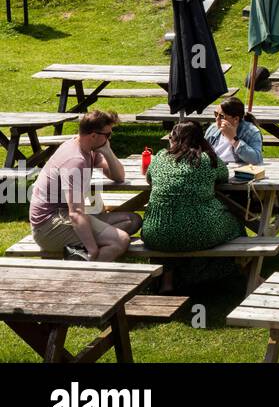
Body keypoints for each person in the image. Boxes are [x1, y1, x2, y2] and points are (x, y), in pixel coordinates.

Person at [140, 119, 245, 289]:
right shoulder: (207, 159)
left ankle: (168, 281)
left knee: (171, 228)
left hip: (155, 232)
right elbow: (224, 176)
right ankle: (236, 271)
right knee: (237, 223)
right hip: (200, 232)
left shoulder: (159, 157)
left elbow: (149, 178)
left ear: (174, 139)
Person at [29, 109, 141, 261]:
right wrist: (92, 249)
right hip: (49, 227)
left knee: (133, 221)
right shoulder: (76, 161)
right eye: (107, 135)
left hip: (64, 216)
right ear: (94, 135)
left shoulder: (87, 148)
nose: (109, 138)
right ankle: (79, 272)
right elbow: (75, 213)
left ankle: (78, 253)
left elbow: (119, 176)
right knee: (120, 240)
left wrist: (107, 151)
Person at [204, 97, 263, 164]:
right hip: (216, 170)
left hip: (239, 172)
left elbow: (256, 159)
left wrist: (233, 139)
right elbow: (203, 153)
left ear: (236, 119)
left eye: (222, 116)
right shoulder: (213, 129)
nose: (217, 119)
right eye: (216, 114)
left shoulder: (251, 132)